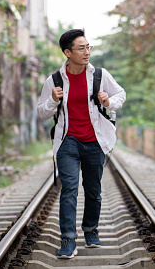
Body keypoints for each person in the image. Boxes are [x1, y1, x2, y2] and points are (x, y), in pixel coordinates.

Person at [37, 29, 126, 259]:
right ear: (67, 52)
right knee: (69, 188)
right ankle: (67, 239)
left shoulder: (99, 75)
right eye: (81, 48)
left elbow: (121, 94)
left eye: (88, 47)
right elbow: (42, 113)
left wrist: (109, 101)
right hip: (68, 141)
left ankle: (90, 230)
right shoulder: (55, 80)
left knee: (94, 191)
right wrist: (52, 100)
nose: (87, 52)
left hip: (95, 140)